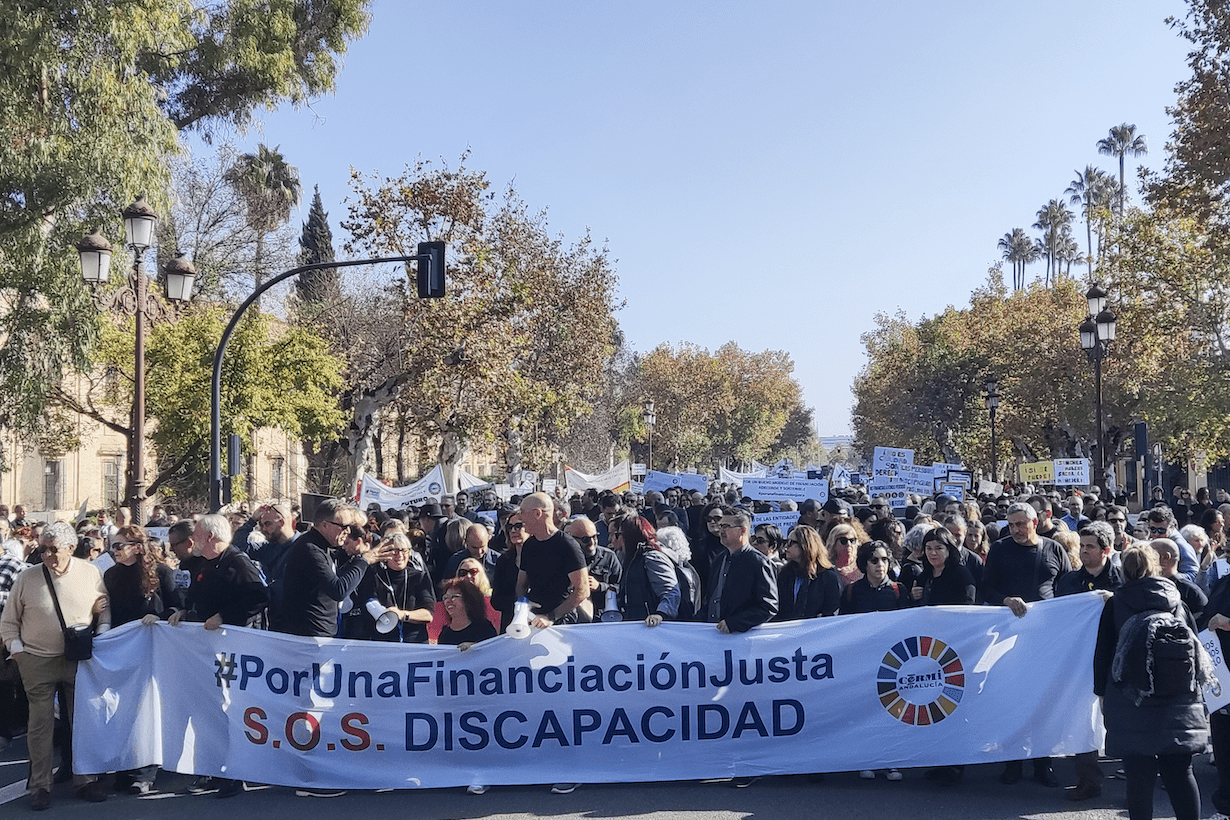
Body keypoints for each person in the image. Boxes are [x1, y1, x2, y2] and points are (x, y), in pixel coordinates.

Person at [1093, 545, 1210, 820]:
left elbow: (1104, 653)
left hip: (1131, 699)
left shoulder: (1116, 603)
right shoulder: (1177, 602)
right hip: (1179, 699)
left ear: (1123, 569)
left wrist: (1101, 693)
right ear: (1155, 566)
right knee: (1181, 774)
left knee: (1139, 778)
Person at [1, 521, 111, 809]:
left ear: (71, 548)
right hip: (37, 660)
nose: (48, 556)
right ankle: (40, 786)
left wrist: (101, 632)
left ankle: (85, 780)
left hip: (78, 659)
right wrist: (17, 651)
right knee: (40, 725)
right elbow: (9, 620)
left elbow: (104, 605)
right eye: (44, 549)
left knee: (83, 722)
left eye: (54, 550)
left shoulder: (90, 572)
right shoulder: (27, 577)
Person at [981, 501, 1071, 787]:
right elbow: (986, 587)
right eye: (1011, 525)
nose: (1016, 529)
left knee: (1043, 700)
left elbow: (1068, 586)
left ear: (1036, 522)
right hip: (1010, 638)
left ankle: (1043, 762)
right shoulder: (999, 549)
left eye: (1021, 524)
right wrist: (1005, 600)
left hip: (1045, 638)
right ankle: (1013, 761)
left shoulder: (1053, 548)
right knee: (1012, 699)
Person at [277, 499, 392, 639]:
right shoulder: (310, 549)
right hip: (309, 636)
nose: (348, 531)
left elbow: (336, 578)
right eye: (343, 526)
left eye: (349, 526)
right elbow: (338, 590)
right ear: (325, 525)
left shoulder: (323, 546)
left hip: (320, 633)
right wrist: (364, 560)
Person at [516, 493, 589, 628]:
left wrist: (551, 616)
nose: (519, 517)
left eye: (522, 512)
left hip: (561, 621)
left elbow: (583, 589)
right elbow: (521, 584)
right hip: (534, 618)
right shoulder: (529, 545)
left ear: (538, 513)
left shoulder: (567, 545)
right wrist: (523, 605)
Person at [704, 508, 778, 634]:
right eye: (721, 525)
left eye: (726, 526)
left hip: (739, 639)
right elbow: (711, 598)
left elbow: (768, 606)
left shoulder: (759, 562)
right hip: (713, 635)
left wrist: (735, 623)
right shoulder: (719, 559)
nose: (721, 530)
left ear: (743, 530)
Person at [353, 532, 435, 643]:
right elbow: (368, 602)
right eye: (395, 551)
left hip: (415, 642)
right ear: (385, 554)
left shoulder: (419, 577)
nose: (400, 556)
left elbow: (428, 615)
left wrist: (402, 614)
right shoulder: (374, 576)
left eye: (404, 551)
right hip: (383, 642)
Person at [615, 515, 680, 626]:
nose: (616, 539)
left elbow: (671, 591)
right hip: (639, 626)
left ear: (630, 536)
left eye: (619, 535)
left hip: (654, 628)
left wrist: (660, 615)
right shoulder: (633, 559)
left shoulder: (652, 558)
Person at [774, 525, 841, 619]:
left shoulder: (827, 576)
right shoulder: (785, 574)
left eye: (791, 543)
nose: (786, 546)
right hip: (788, 631)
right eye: (786, 542)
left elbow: (831, 610)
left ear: (805, 545)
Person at [566, 516, 621, 621]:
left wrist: (600, 586)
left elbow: (622, 588)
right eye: (586, 539)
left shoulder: (609, 557)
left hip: (603, 619)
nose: (592, 542)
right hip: (572, 620)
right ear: (573, 539)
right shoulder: (564, 559)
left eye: (595, 537)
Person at [915, 527, 977, 605]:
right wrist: (913, 596)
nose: (933, 553)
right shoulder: (924, 575)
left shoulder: (960, 573)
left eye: (939, 548)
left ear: (949, 549)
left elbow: (969, 601)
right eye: (929, 548)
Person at [491, 512, 527, 633]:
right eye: (509, 527)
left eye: (518, 526)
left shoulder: (542, 557)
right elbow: (496, 600)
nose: (513, 530)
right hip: (510, 624)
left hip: (537, 623)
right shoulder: (504, 560)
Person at [437, 578, 497, 650]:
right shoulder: (444, 634)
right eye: (446, 597)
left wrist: (474, 647)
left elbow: (493, 651)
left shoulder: (484, 628)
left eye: (454, 596)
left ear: (468, 599)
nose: (448, 601)